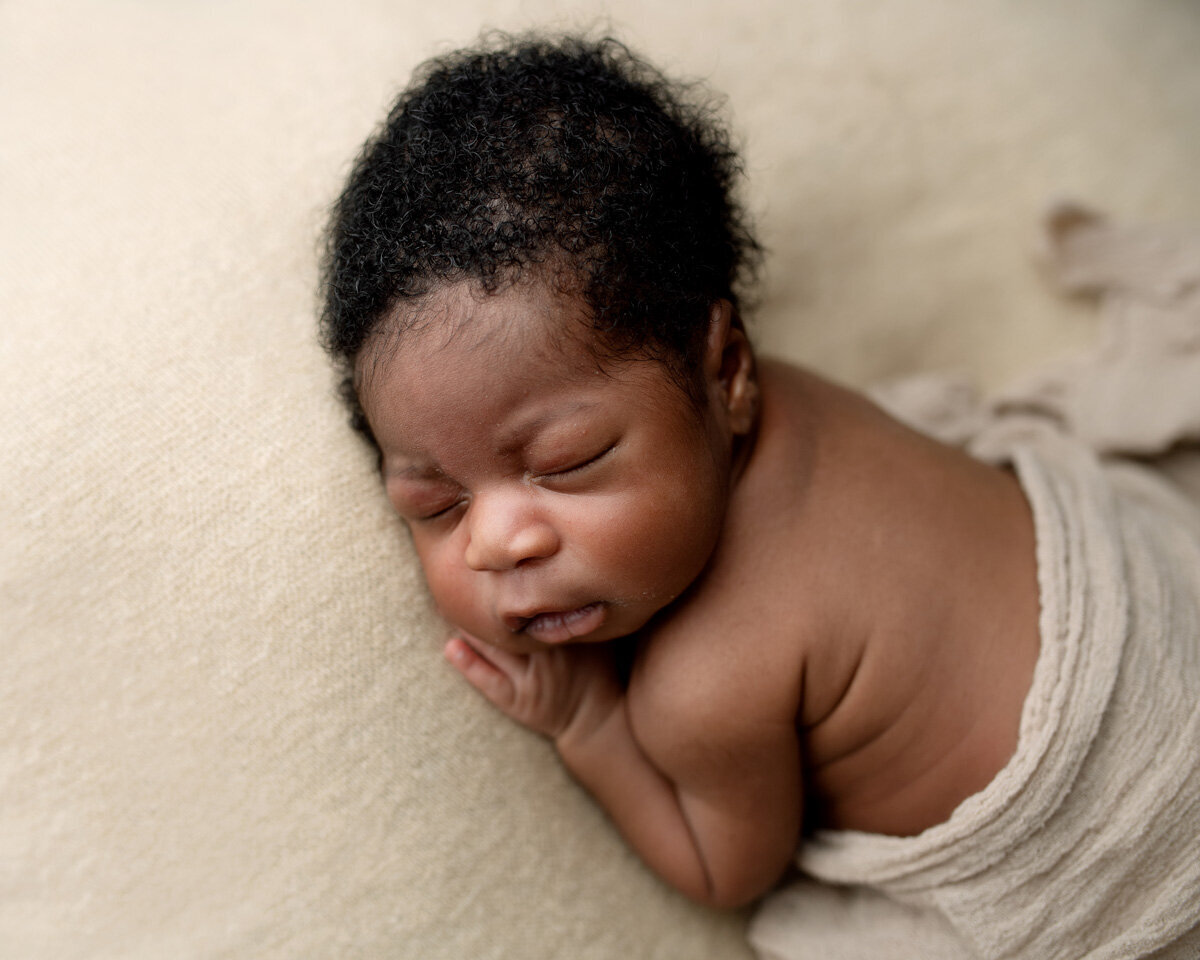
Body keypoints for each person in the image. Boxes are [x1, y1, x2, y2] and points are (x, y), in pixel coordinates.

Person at [320, 33, 1200, 956]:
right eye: (436, 505)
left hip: (1131, 823)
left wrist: (592, 723)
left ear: (728, 369)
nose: (498, 542)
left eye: (568, 461)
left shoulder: (702, 688)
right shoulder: (796, 402)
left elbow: (725, 870)